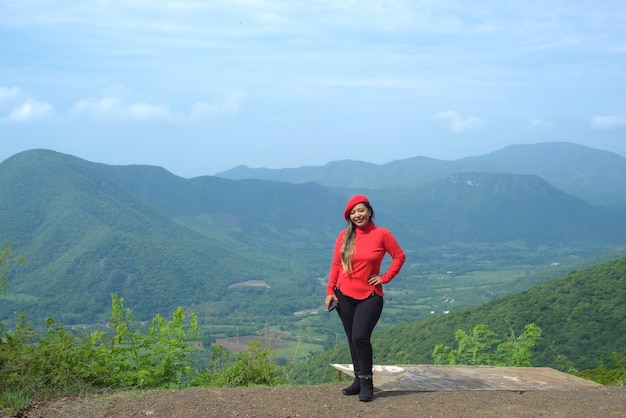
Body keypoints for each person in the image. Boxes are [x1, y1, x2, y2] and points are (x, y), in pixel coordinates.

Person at [325, 194, 406, 402]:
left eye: (360, 210)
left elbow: (399, 256)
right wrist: (330, 291)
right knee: (352, 339)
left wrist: (385, 278)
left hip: (370, 295)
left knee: (360, 337)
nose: (357, 215)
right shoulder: (344, 236)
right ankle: (358, 381)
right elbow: (336, 264)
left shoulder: (382, 234)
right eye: (353, 212)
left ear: (369, 211)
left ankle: (367, 382)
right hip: (344, 295)